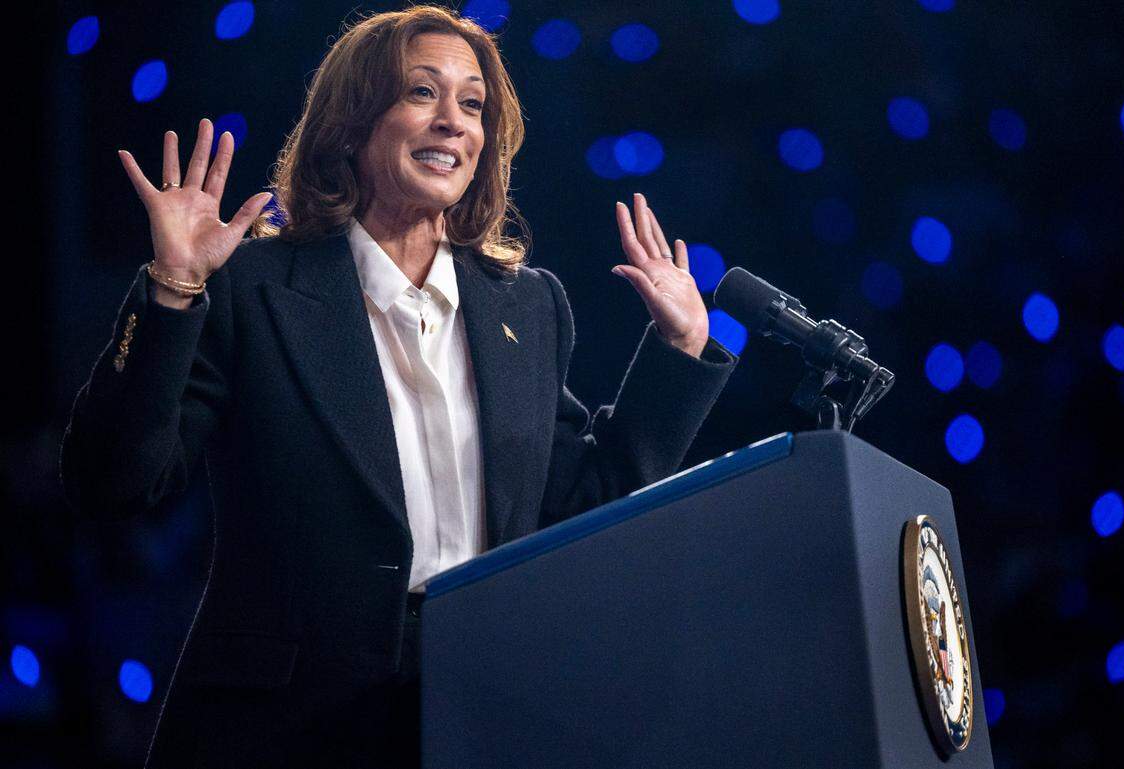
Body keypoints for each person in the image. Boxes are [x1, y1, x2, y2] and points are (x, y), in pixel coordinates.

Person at [60, 6, 736, 767]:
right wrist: (173, 288)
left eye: (472, 104)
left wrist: (680, 348)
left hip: (479, 706)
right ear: (352, 125)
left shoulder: (527, 305)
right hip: (288, 727)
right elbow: (113, 482)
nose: (453, 121)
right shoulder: (255, 288)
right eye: (422, 92)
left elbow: (585, 504)